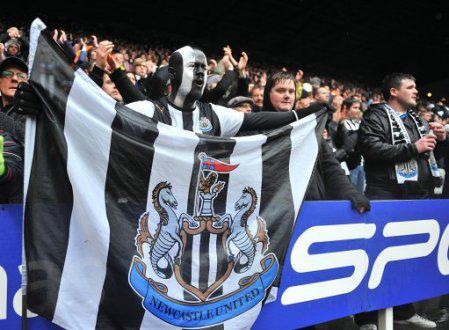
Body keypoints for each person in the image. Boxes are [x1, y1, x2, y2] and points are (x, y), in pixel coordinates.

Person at [14, 45, 325, 139]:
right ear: (173, 75)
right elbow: (92, 117)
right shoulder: (150, 111)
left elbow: (260, 122)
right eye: (196, 69)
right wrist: (44, 103)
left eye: (206, 70)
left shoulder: (214, 114)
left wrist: (304, 114)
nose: (203, 76)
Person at [356, 73, 446, 329]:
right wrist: (413, 148)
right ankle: (366, 317)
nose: (416, 91)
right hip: (385, 194)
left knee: (404, 258)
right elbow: (369, 147)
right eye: (411, 87)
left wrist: (437, 141)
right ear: (394, 92)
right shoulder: (376, 115)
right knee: (375, 256)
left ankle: (404, 312)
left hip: (414, 196)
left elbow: (422, 155)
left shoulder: (417, 120)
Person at [262, 71, 370, 212]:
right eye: (280, 90)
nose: (287, 95)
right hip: (271, 211)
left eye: (291, 91)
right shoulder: (256, 129)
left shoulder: (308, 127)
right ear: (268, 94)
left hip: (311, 208)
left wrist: (351, 193)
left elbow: (330, 166)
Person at [0, 56, 28, 143]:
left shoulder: (33, 112)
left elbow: (26, 138)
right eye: (7, 74)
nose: (15, 79)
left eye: (21, 75)